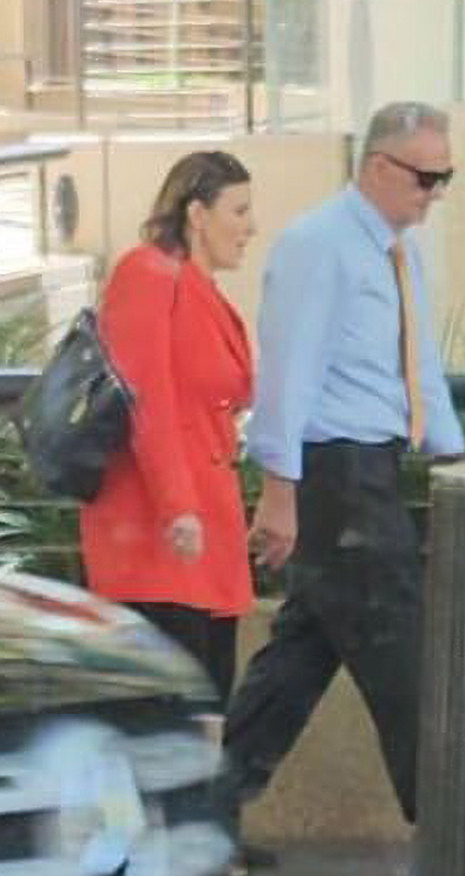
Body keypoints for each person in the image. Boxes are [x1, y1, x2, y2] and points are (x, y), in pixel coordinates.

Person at [219, 102, 465, 866]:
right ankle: (461, 831)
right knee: (407, 660)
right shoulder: (318, 245)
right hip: (338, 473)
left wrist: (455, 454)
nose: (435, 193)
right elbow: (288, 374)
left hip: (375, 468)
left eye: (446, 177)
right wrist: (280, 488)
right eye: (426, 177)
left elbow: (416, 363)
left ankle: (199, 816)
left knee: (300, 657)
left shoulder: (400, 251)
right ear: (378, 167)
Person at [80, 150, 255, 716]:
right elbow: (144, 397)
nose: (251, 227)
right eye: (240, 210)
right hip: (156, 539)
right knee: (170, 729)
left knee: (200, 719)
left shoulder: (200, 291)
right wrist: (178, 507)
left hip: (204, 538)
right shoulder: (147, 273)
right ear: (197, 214)